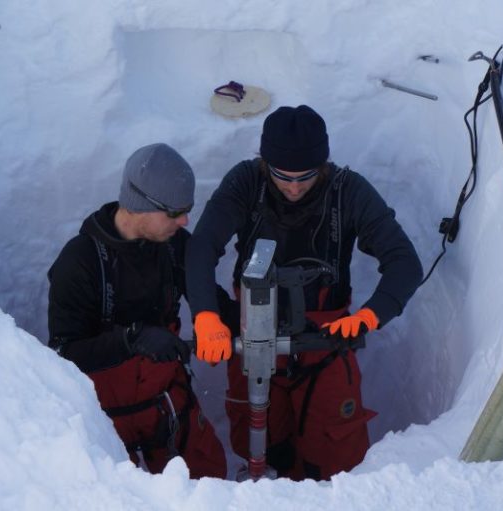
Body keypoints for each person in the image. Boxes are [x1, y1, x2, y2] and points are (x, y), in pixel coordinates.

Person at [185, 105, 423, 481]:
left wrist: (371, 314)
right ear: (265, 163)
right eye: (282, 176)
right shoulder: (246, 182)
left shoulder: (348, 191)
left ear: (323, 165)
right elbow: (201, 247)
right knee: (256, 436)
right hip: (253, 331)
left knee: (336, 450)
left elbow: (404, 262)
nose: (294, 187)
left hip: (325, 340)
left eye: (306, 176)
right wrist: (206, 314)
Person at [47, 143, 227, 478]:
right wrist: (132, 340)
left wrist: (229, 321)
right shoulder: (80, 263)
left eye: (187, 209)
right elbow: (63, 353)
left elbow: (211, 301)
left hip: (166, 403)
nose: (185, 220)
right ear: (140, 205)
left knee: (210, 482)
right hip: (104, 416)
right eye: (175, 212)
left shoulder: (174, 246)